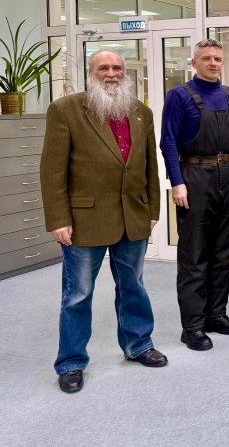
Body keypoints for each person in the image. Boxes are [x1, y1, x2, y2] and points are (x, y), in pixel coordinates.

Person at [40, 50, 167, 393]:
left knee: (133, 286)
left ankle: (138, 344)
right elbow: (52, 171)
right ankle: (71, 362)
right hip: (84, 220)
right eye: (104, 68)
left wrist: (152, 209)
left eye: (117, 68)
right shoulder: (66, 109)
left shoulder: (141, 112)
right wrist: (58, 219)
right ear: (90, 73)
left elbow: (149, 165)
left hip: (132, 215)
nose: (111, 73)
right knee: (78, 294)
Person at [161, 39, 229, 351]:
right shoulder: (179, 95)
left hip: (228, 175)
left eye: (217, 59)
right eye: (206, 58)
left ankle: (216, 315)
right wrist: (177, 182)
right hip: (195, 176)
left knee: (223, 252)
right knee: (194, 256)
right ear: (194, 63)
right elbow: (168, 141)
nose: (213, 63)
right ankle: (193, 326)